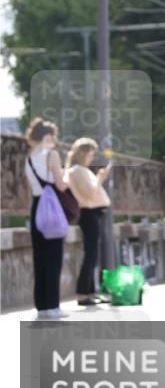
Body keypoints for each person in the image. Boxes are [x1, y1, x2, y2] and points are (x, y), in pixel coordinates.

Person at [24, 118, 69, 320]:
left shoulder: (29, 158)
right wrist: (66, 175)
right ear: (49, 136)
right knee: (54, 258)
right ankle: (53, 306)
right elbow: (60, 185)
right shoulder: (52, 154)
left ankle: (42, 306)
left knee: (40, 258)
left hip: (36, 209)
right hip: (51, 208)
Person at [64, 138, 111, 305]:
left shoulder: (79, 170)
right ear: (83, 153)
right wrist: (100, 177)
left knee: (92, 254)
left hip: (91, 213)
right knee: (90, 254)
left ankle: (89, 292)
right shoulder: (78, 171)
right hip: (89, 213)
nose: (92, 158)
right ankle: (83, 293)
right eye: (91, 154)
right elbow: (90, 192)